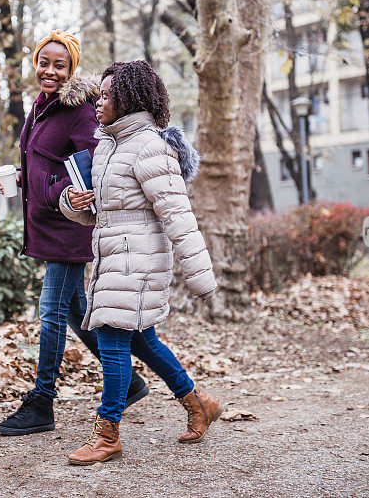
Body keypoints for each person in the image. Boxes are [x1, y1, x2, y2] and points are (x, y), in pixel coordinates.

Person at [60, 60, 224, 465]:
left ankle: (107, 433)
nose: (98, 103)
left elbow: (178, 216)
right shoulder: (107, 147)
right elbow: (100, 211)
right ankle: (198, 402)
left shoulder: (151, 146)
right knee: (142, 340)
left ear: (128, 99)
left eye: (106, 95)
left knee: (113, 340)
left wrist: (201, 277)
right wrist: (73, 202)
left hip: (140, 261)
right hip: (112, 254)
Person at [0, 31, 150, 437]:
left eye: (59, 65)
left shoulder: (78, 108)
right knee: (79, 313)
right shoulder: (40, 106)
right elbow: (46, 161)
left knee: (51, 313)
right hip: (48, 223)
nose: (49, 71)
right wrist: (22, 181)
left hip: (70, 228)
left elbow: (94, 161)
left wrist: (61, 190)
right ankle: (130, 383)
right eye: (44, 62)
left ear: (71, 69)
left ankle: (42, 402)